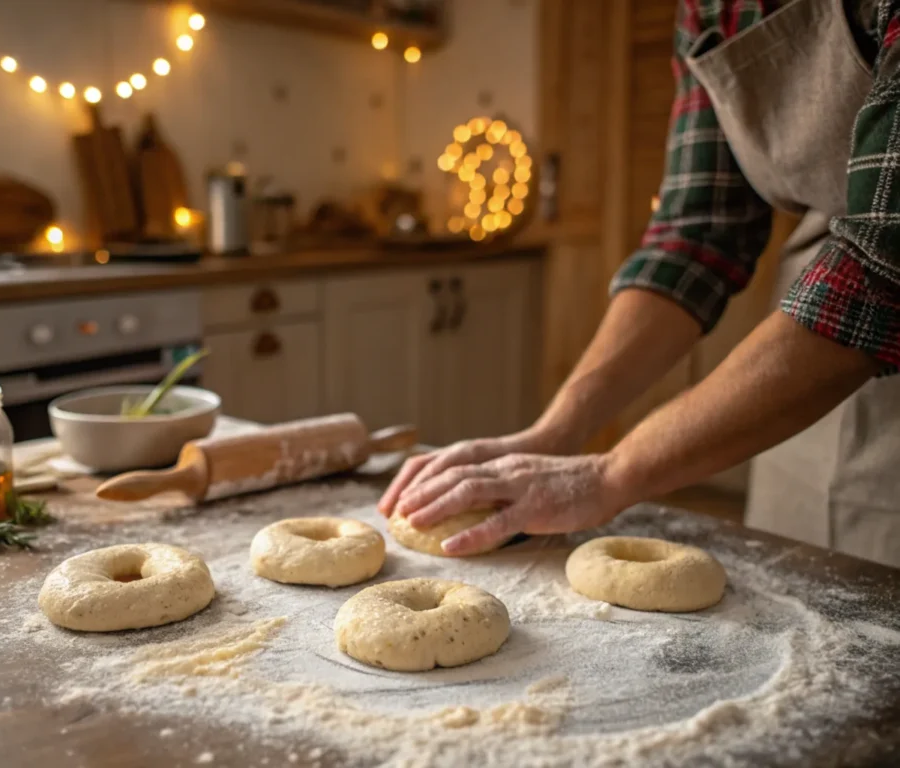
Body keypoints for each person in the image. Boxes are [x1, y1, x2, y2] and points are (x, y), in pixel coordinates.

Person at [379, 0, 900, 569]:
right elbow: (696, 237)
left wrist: (613, 472)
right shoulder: (710, 10)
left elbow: (883, 255)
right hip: (800, 353)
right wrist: (557, 430)